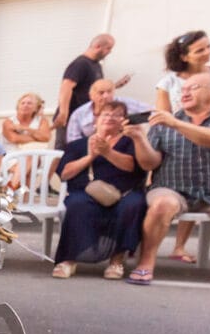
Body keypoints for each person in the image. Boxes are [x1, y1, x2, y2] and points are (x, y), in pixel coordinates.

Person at [124, 71, 210, 288]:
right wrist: (139, 139)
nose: (184, 93)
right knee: (162, 205)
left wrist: (176, 124)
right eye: (183, 89)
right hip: (172, 188)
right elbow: (151, 164)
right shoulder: (165, 120)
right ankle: (146, 263)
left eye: (193, 88)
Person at [155, 30, 210, 262]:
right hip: (179, 140)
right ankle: (168, 247)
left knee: (205, 184)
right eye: (200, 50)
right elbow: (163, 115)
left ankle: (180, 247)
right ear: (185, 56)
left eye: (208, 46)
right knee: (181, 186)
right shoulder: (169, 81)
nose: (207, 53)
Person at [50, 101, 147, 279]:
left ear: (124, 121)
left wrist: (108, 152)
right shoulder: (77, 145)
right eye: (105, 114)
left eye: (116, 115)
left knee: (133, 204)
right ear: (95, 121)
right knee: (77, 204)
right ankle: (69, 260)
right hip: (87, 192)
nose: (110, 118)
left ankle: (117, 260)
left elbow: (133, 167)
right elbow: (65, 173)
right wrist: (91, 157)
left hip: (124, 193)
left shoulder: (130, 142)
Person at [53, 34, 130, 150]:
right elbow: (66, 86)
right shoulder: (80, 64)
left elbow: (94, 90)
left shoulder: (96, 66)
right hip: (71, 117)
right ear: (98, 46)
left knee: (84, 151)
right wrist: (64, 113)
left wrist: (115, 85)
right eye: (108, 48)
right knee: (65, 151)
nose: (110, 52)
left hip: (86, 118)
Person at [66, 78, 151, 145]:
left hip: (122, 148)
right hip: (88, 150)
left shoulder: (126, 103)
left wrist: (136, 122)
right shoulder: (79, 114)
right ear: (91, 96)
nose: (106, 96)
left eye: (109, 92)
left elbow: (153, 112)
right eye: (101, 93)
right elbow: (73, 141)